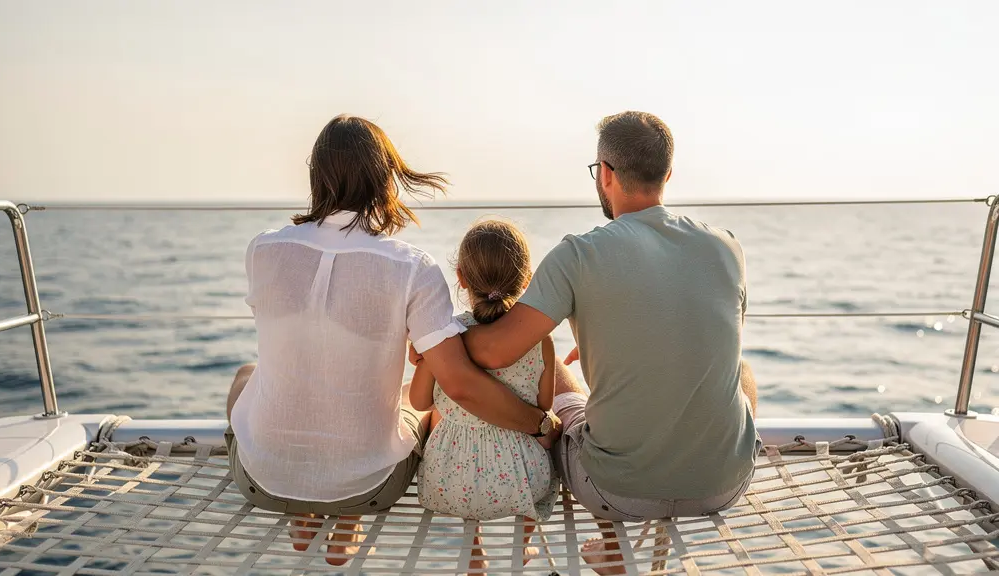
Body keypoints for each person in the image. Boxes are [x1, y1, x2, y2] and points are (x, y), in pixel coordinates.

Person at [224, 115, 558, 566]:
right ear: (385, 179)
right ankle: (348, 518)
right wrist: (539, 424)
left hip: (260, 481)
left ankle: (301, 512)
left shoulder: (262, 249)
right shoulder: (411, 267)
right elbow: (458, 384)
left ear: (316, 175)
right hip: (371, 487)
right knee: (413, 401)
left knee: (247, 375)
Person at [462, 111, 761, 574]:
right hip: (725, 484)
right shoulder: (726, 246)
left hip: (616, 492)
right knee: (742, 372)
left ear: (605, 173)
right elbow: (700, 338)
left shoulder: (579, 254)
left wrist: (438, 337)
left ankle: (614, 546)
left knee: (560, 373)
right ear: (667, 173)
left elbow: (495, 350)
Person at [410, 220, 560, 573]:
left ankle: (475, 554)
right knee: (551, 429)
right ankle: (523, 546)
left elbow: (418, 401)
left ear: (461, 277)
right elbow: (544, 408)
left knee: (436, 418)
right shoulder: (541, 341)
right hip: (523, 479)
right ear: (526, 279)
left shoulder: (446, 337)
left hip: (448, 481)